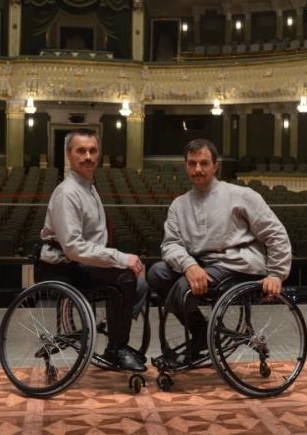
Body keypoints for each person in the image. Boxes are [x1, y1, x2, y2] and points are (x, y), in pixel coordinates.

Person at [147, 138, 292, 363]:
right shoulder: (179, 205)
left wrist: (276, 273)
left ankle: (202, 334)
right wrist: (189, 265)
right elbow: (170, 244)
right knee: (157, 272)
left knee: (184, 288)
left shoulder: (241, 195)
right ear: (185, 166)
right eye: (192, 163)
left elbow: (275, 233)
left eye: (204, 163)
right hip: (203, 265)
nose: (198, 169)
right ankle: (204, 332)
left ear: (215, 166)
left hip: (237, 265)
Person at [35, 128, 147, 372]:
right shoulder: (67, 192)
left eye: (92, 150)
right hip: (62, 265)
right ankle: (117, 347)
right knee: (125, 277)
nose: (88, 156)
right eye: (81, 151)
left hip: (80, 262)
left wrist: (118, 259)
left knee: (139, 281)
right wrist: (118, 258)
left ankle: (115, 328)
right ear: (68, 155)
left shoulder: (89, 187)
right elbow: (74, 248)